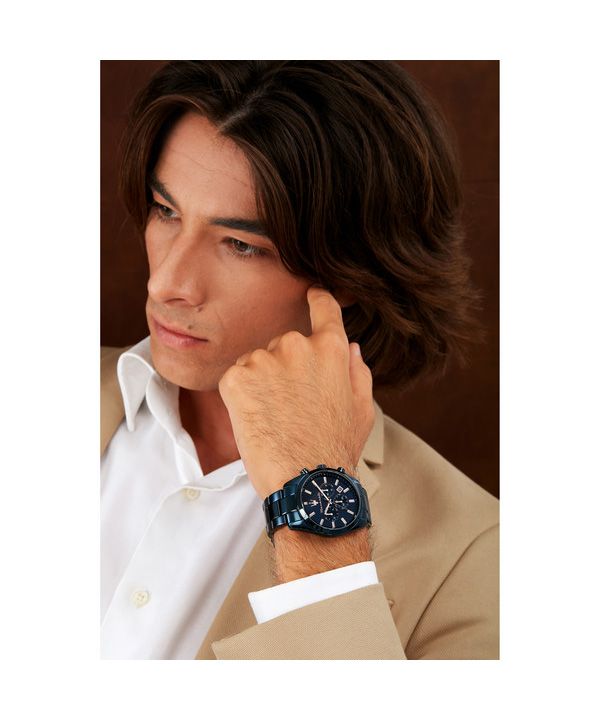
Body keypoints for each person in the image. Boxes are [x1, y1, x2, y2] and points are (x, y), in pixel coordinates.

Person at [101, 60, 499, 660]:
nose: (167, 284)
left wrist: (319, 515)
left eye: (240, 244)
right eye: (166, 211)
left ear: (351, 275)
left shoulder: (474, 556)